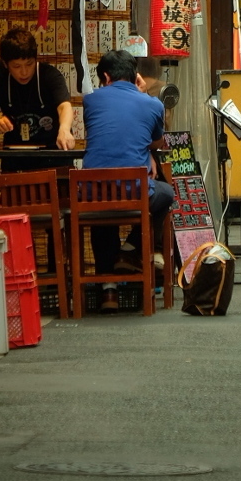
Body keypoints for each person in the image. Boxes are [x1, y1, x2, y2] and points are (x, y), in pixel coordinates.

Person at [82, 49, 175, 311]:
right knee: (166, 193)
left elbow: (107, 133)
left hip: (93, 192)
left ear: (106, 77)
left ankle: (107, 292)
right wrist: (143, 93)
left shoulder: (91, 101)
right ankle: (129, 248)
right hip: (134, 191)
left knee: (103, 208)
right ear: (135, 76)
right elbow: (156, 140)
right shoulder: (153, 103)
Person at [0, 28, 74, 150]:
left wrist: (65, 129)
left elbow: (64, 106)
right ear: (5, 64)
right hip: (14, 152)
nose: (24, 72)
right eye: (17, 66)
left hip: (52, 151)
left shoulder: (49, 75)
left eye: (29, 64)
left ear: (36, 59)